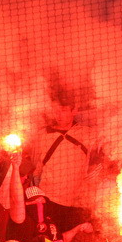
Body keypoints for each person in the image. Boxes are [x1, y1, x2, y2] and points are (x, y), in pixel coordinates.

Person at [26, 95, 97, 233]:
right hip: (49, 201)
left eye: (63, 110)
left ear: (74, 110)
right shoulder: (43, 135)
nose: (58, 115)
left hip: (78, 203)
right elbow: (36, 168)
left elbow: (103, 158)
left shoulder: (89, 134)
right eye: (55, 110)